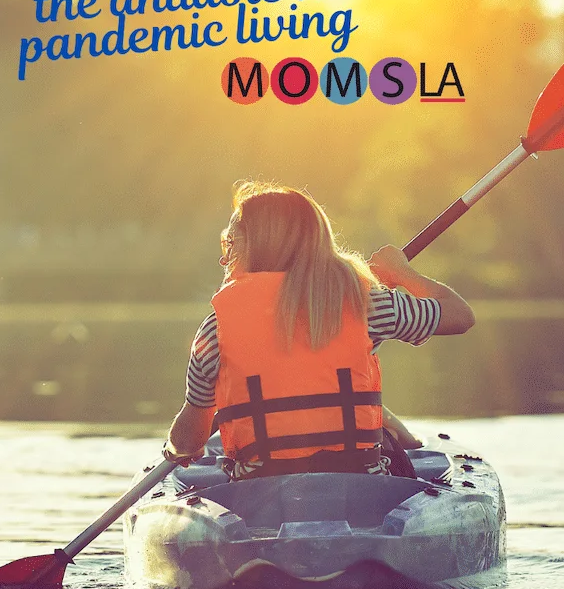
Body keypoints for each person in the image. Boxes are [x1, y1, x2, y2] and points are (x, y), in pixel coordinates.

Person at [164, 181, 475, 478]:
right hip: (363, 489)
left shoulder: (215, 330)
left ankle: (403, 436)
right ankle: (407, 439)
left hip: (258, 494)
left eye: (230, 243)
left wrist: (173, 449)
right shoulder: (366, 305)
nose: (224, 258)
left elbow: (188, 441)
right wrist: (402, 273)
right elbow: (460, 315)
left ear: (260, 246)